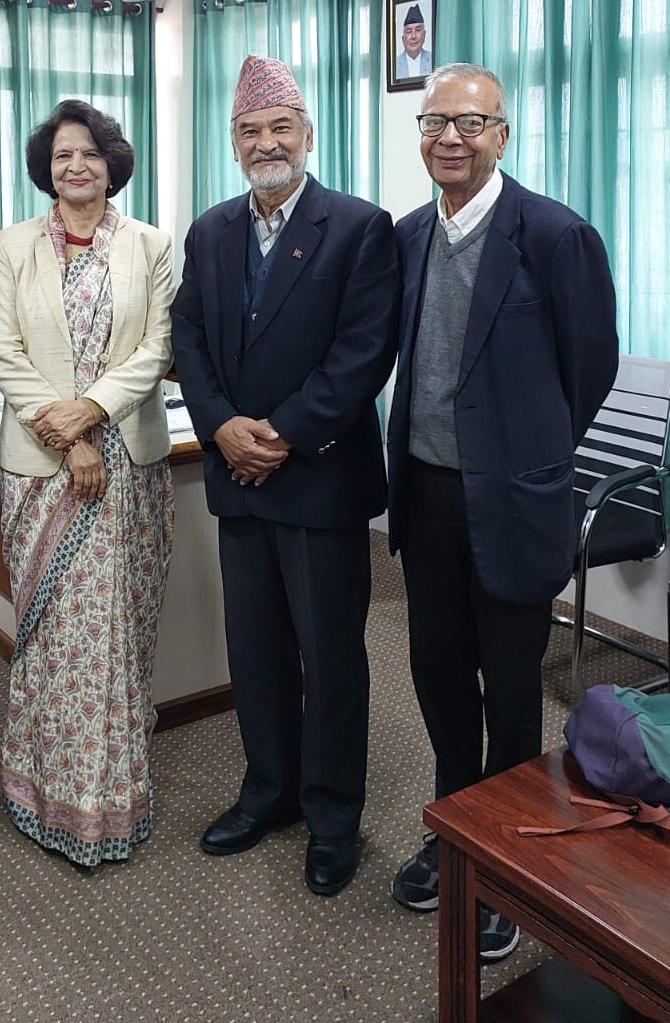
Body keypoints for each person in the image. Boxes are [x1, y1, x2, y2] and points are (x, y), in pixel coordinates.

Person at [386, 62, 618, 960]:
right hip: (427, 492)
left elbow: (585, 371)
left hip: (513, 501)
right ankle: (457, 832)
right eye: (436, 121)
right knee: (439, 676)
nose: (451, 137)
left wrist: (524, 450)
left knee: (513, 691)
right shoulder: (408, 236)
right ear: (421, 134)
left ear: (502, 135)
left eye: (471, 124)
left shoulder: (556, 236)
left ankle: (511, 867)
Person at [170, 55, 399, 897]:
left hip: (319, 479)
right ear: (233, 144)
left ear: (308, 134)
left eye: (280, 127)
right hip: (239, 475)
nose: (265, 142)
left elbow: (365, 352)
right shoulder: (212, 228)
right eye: (248, 131)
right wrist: (222, 425)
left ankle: (333, 813)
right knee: (256, 652)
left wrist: (284, 434)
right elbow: (187, 337)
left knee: (331, 657)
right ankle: (268, 792)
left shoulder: (360, 226)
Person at [0, 99, 174, 866]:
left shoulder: (151, 245)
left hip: (127, 466)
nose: (76, 167)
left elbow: (157, 347)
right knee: (54, 639)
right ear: (46, 167)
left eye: (89, 153)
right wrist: (66, 435)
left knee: (114, 640)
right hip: (41, 468)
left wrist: (91, 414)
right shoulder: (13, 245)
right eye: (62, 155)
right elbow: (1, 346)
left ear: (112, 162)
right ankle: (43, 793)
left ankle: (109, 804)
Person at [395, 3, 432, 80]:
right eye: (409, 31)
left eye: (418, 30)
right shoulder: (394, 64)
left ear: (424, 35)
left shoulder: (433, 60)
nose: (413, 36)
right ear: (403, 39)